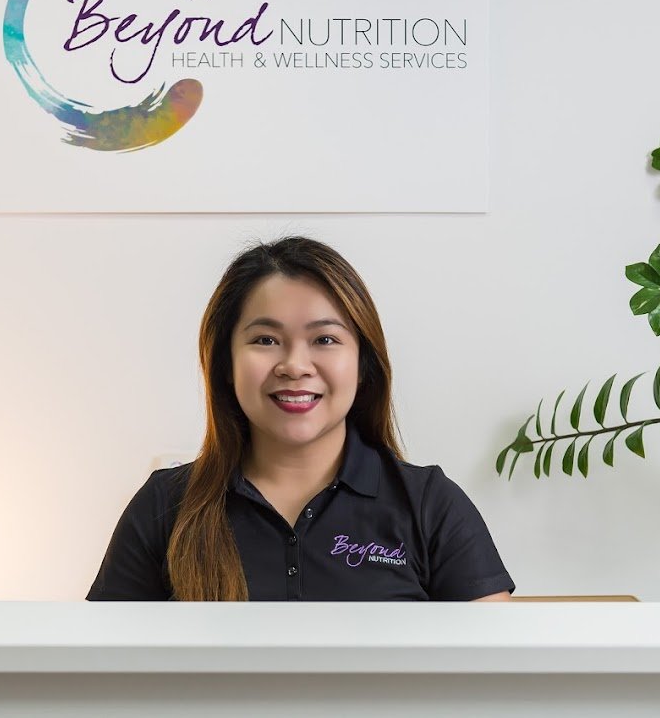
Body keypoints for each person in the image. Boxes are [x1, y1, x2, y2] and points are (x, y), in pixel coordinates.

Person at [87, 236, 514, 602]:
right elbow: (100, 668)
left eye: (324, 339)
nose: (294, 365)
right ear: (226, 364)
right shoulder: (163, 507)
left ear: (363, 363)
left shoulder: (431, 505)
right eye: (265, 339)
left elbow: (496, 669)